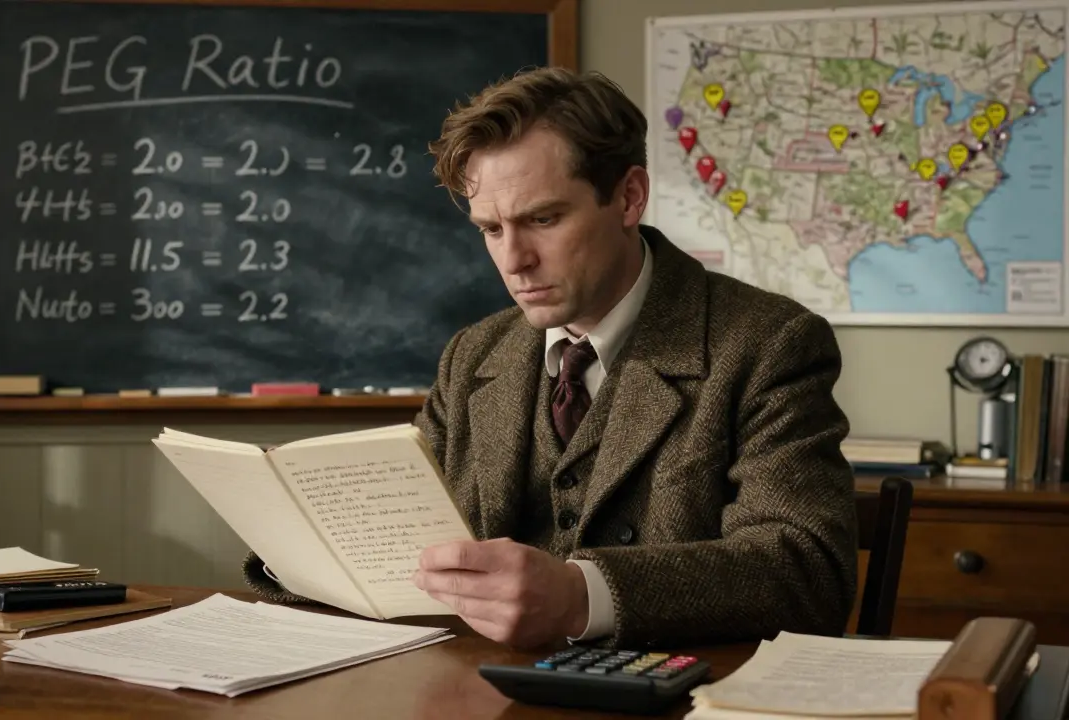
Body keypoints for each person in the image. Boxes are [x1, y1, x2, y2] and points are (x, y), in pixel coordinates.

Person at [244, 66, 858, 651]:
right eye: (491, 229)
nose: (514, 260)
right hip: (478, 690)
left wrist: (580, 596)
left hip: (678, 694)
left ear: (629, 198)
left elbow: (807, 570)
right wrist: (300, 543)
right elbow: (402, 533)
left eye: (542, 219)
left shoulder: (769, 342)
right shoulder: (472, 354)